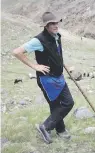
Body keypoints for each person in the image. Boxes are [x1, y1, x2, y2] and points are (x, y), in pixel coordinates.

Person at [12, 12, 74, 144]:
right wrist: (35, 66)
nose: (55, 25)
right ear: (46, 26)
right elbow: (17, 52)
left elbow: (57, 55)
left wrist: (66, 67)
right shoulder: (38, 40)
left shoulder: (56, 36)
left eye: (56, 22)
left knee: (66, 103)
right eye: (52, 23)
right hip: (47, 80)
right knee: (59, 104)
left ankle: (56, 129)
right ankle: (48, 127)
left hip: (59, 76)